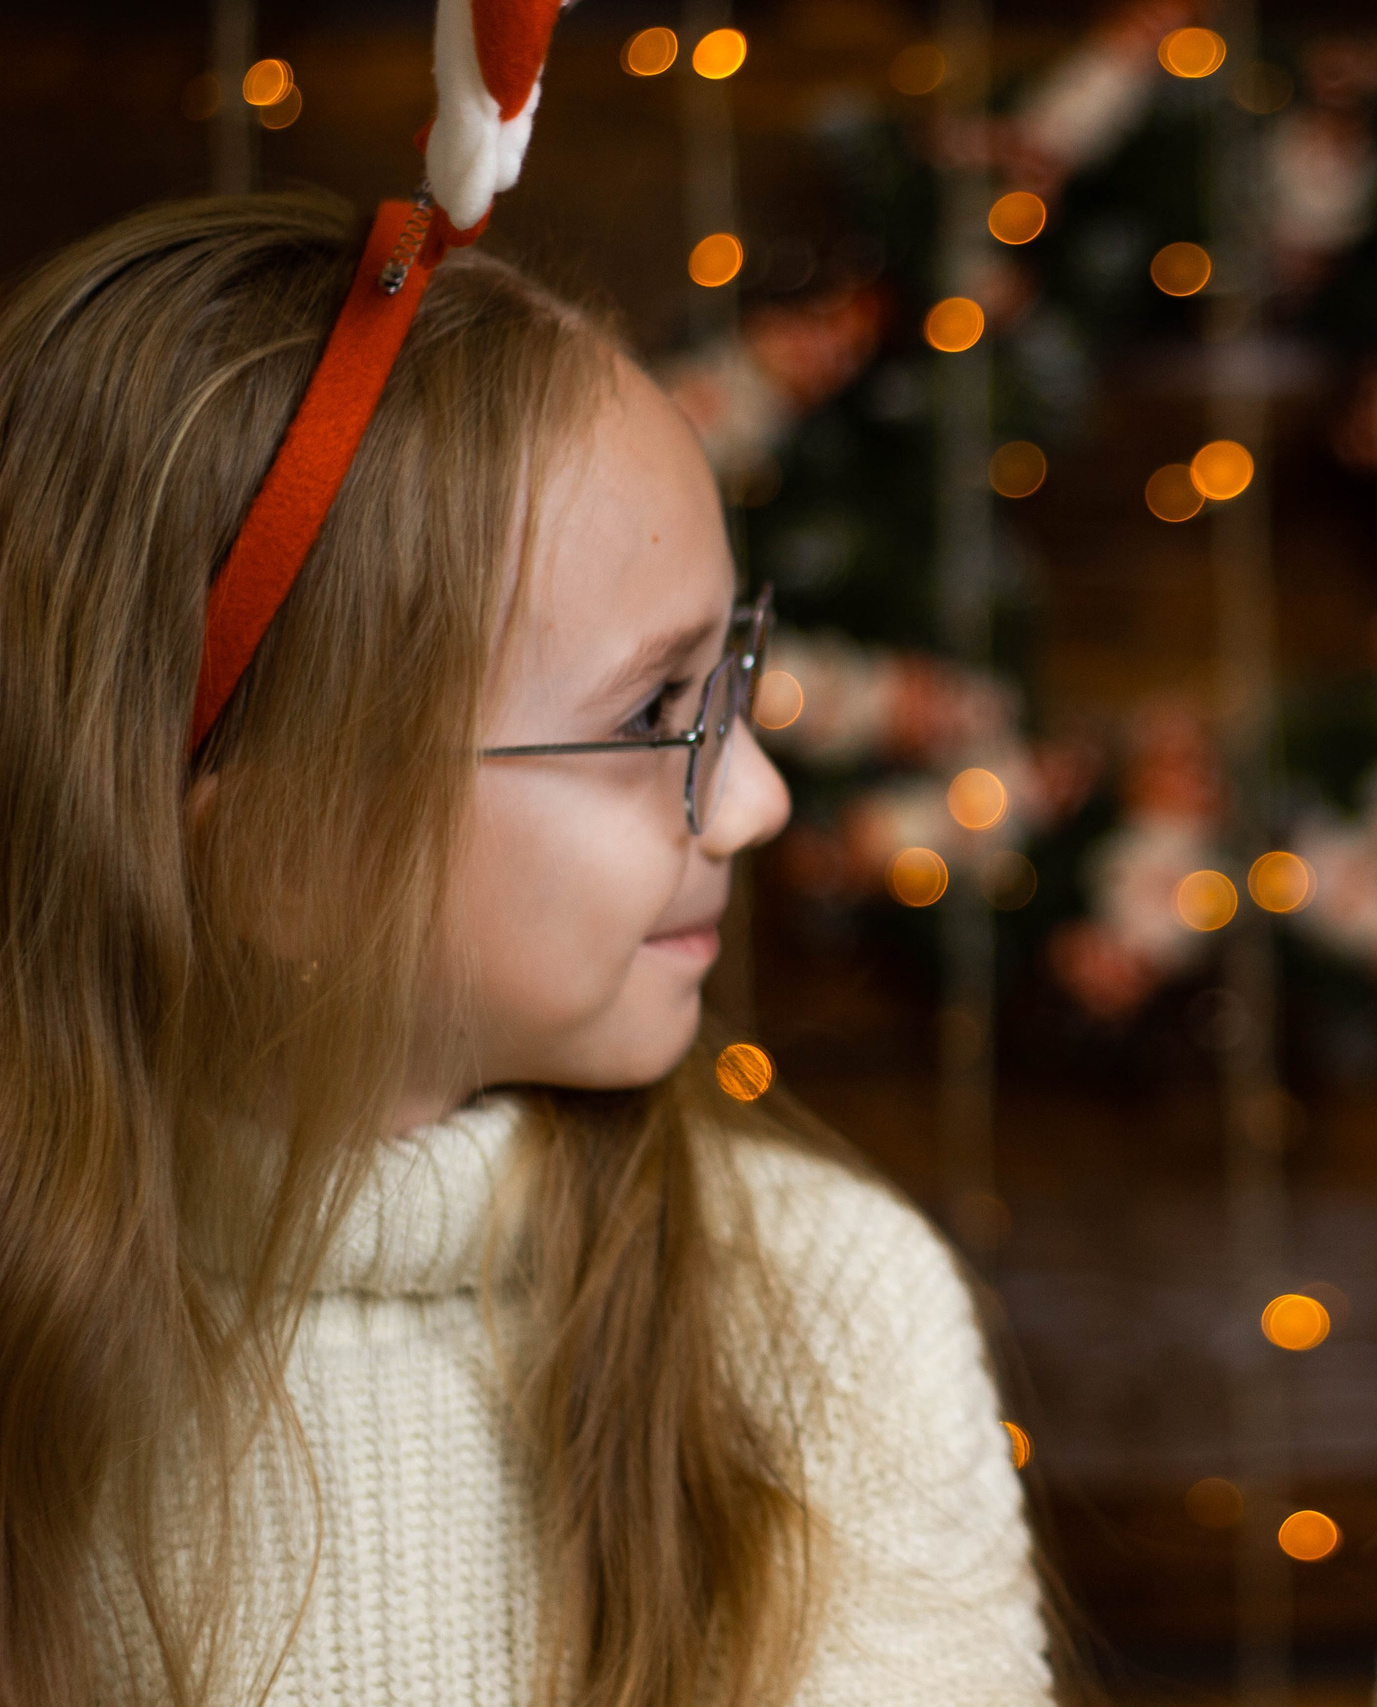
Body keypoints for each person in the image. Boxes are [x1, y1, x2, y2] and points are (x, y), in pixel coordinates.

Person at [0, 193, 1051, 1707]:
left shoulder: (828, 1313)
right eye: (649, 715)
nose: (753, 799)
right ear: (293, 857)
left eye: (730, 670)